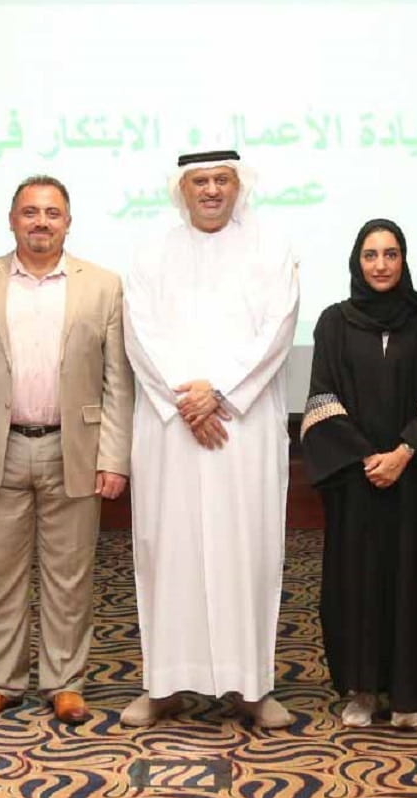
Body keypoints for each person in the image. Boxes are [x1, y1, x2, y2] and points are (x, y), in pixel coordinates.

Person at [0, 175, 134, 726]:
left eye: (52, 213)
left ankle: (65, 683)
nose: (41, 222)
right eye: (30, 212)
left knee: (70, 576)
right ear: (12, 220)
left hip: (73, 448)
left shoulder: (103, 286)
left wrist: (113, 458)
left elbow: (118, 383)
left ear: (68, 222)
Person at [121, 149, 300, 730]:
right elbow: (139, 331)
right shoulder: (152, 250)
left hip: (241, 427)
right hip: (172, 429)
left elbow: (278, 328)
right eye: (200, 181)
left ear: (238, 186)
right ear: (183, 189)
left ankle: (252, 688)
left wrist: (218, 392)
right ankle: (164, 686)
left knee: (246, 552)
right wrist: (189, 401)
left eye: (223, 179)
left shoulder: (271, 247)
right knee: (167, 552)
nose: (212, 190)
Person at [301, 220, 417, 728]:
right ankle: (364, 689)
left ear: (404, 260)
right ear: (357, 261)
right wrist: (367, 458)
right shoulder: (334, 322)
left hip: (412, 478)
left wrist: (404, 452)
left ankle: (409, 692)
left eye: (391, 254)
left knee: (413, 581)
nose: (381, 265)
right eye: (371, 255)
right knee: (359, 584)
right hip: (356, 482)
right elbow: (322, 396)